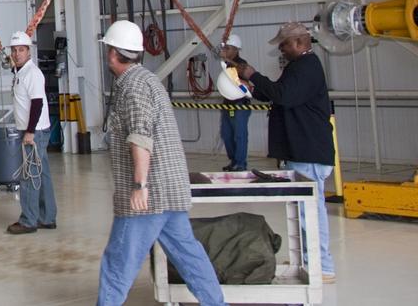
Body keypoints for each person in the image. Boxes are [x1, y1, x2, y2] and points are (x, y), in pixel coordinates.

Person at [96, 20, 225, 306]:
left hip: (149, 196)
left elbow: (140, 137)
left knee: (118, 263)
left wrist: (140, 186)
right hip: (171, 192)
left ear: (113, 53)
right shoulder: (149, 80)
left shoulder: (132, 86)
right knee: (189, 256)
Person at [232, 20, 335, 281]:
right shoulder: (297, 67)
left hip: (308, 152)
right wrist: (252, 87)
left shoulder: (307, 67)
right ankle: (306, 259)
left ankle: (321, 265)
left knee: (309, 212)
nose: (281, 49)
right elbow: (278, 95)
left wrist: (254, 75)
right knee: (299, 212)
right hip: (298, 151)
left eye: (284, 44)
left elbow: (285, 95)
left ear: (300, 42)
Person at [5, 31, 56, 235]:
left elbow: (37, 103)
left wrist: (30, 131)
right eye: (14, 50)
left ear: (29, 52)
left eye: (21, 50)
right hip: (34, 131)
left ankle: (29, 220)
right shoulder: (21, 72)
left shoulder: (32, 73)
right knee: (42, 175)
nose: (17, 54)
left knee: (29, 175)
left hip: (34, 132)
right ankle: (47, 217)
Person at [218, 34, 250, 171]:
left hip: (240, 105)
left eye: (229, 48)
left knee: (240, 135)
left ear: (236, 49)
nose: (226, 51)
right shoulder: (225, 64)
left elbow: (243, 72)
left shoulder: (242, 64)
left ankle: (241, 163)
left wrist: (227, 61)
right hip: (228, 104)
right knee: (226, 134)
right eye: (225, 48)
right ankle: (233, 161)